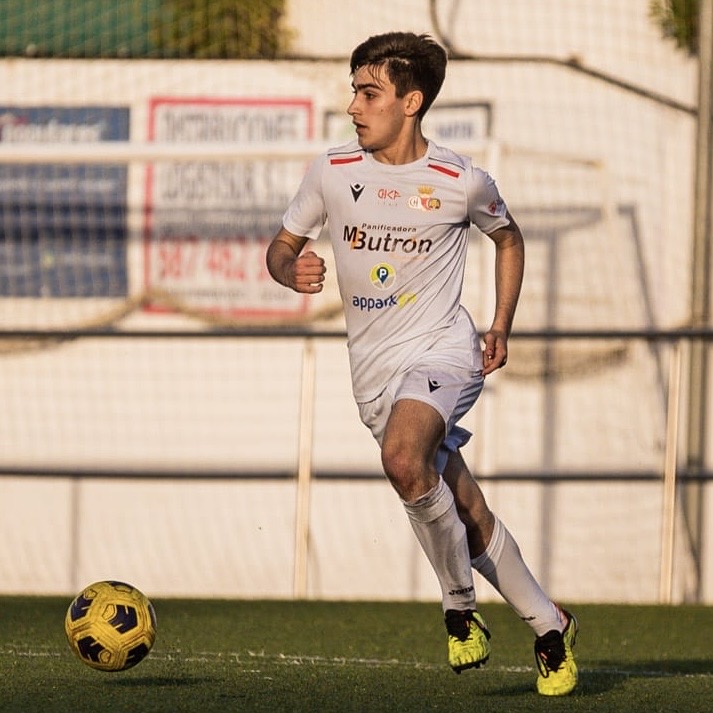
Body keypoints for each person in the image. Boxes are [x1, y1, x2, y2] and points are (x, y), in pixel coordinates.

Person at [266, 31, 578, 696]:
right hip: (373, 375)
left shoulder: (460, 180)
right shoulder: (332, 171)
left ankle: (459, 610)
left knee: (403, 458)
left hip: (444, 349)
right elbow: (280, 246)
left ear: (410, 102)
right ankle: (550, 626)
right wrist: (290, 269)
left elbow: (509, 240)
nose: (353, 106)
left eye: (368, 93)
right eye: (354, 91)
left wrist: (499, 323)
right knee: (463, 508)